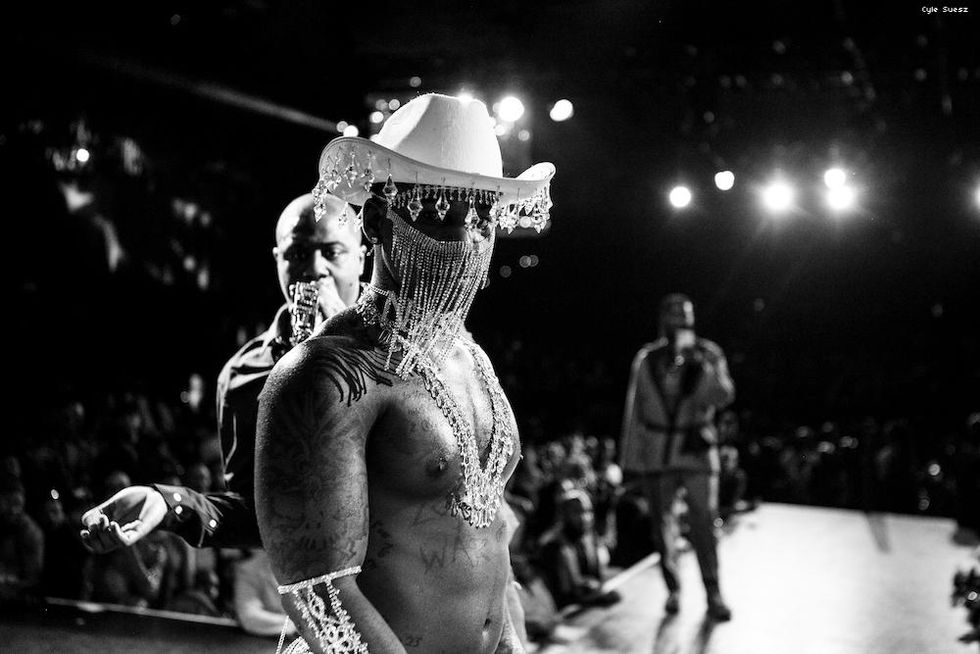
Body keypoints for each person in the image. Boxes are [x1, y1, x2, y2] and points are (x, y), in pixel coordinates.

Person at [255, 93, 554, 653]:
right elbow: (320, 593)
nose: (468, 238)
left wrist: (511, 641)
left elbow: (488, 539)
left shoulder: (471, 357)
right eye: (443, 212)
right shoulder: (326, 375)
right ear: (377, 219)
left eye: (483, 215)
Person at [80, 193, 365, 552]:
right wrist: (168, 503)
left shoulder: (405, 350)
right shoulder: (243, 374)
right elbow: (256, 514)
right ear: (277, 260)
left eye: (332, 251)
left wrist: (349, 344)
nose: (315, 268)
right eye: (297, 253)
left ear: (361, 258)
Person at [619, 293, 735, 621]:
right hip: (658, 451)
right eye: (672, 315)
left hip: (697, 449)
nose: (679, 321)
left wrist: (703, 371)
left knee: (704, 523)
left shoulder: (709, 353)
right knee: (662, 527)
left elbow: (724, 395)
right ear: (662, 319)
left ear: (692, 318)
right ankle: (673, 588)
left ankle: (713, 592)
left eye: (684, 315)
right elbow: (635, 411)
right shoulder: (647, 358)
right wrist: (631, 461)